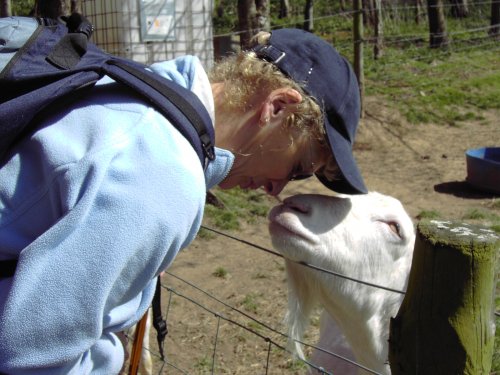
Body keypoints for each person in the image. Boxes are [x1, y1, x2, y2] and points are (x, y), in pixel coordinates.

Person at [0, 26, 367, 374]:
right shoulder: (164, 171)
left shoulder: (137, 91)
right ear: (279, 107)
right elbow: (34, 356)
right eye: (299, 166)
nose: (277, 189)